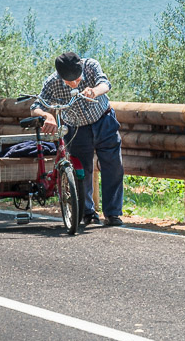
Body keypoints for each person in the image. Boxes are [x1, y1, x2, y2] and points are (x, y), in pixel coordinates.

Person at [30, 51, 124, 226]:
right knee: (83, 172)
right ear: (60, 76)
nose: (74, 84)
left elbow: (105, 84)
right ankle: (88, 212)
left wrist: (94, 91)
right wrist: (46, 116)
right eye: (69, 81)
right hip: (77, 129)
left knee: (114, 166)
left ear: (81, 68)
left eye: (77, 79)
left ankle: (113, 213)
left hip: (104, 121)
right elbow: (35, 106)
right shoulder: (52, 82)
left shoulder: (91, 66)